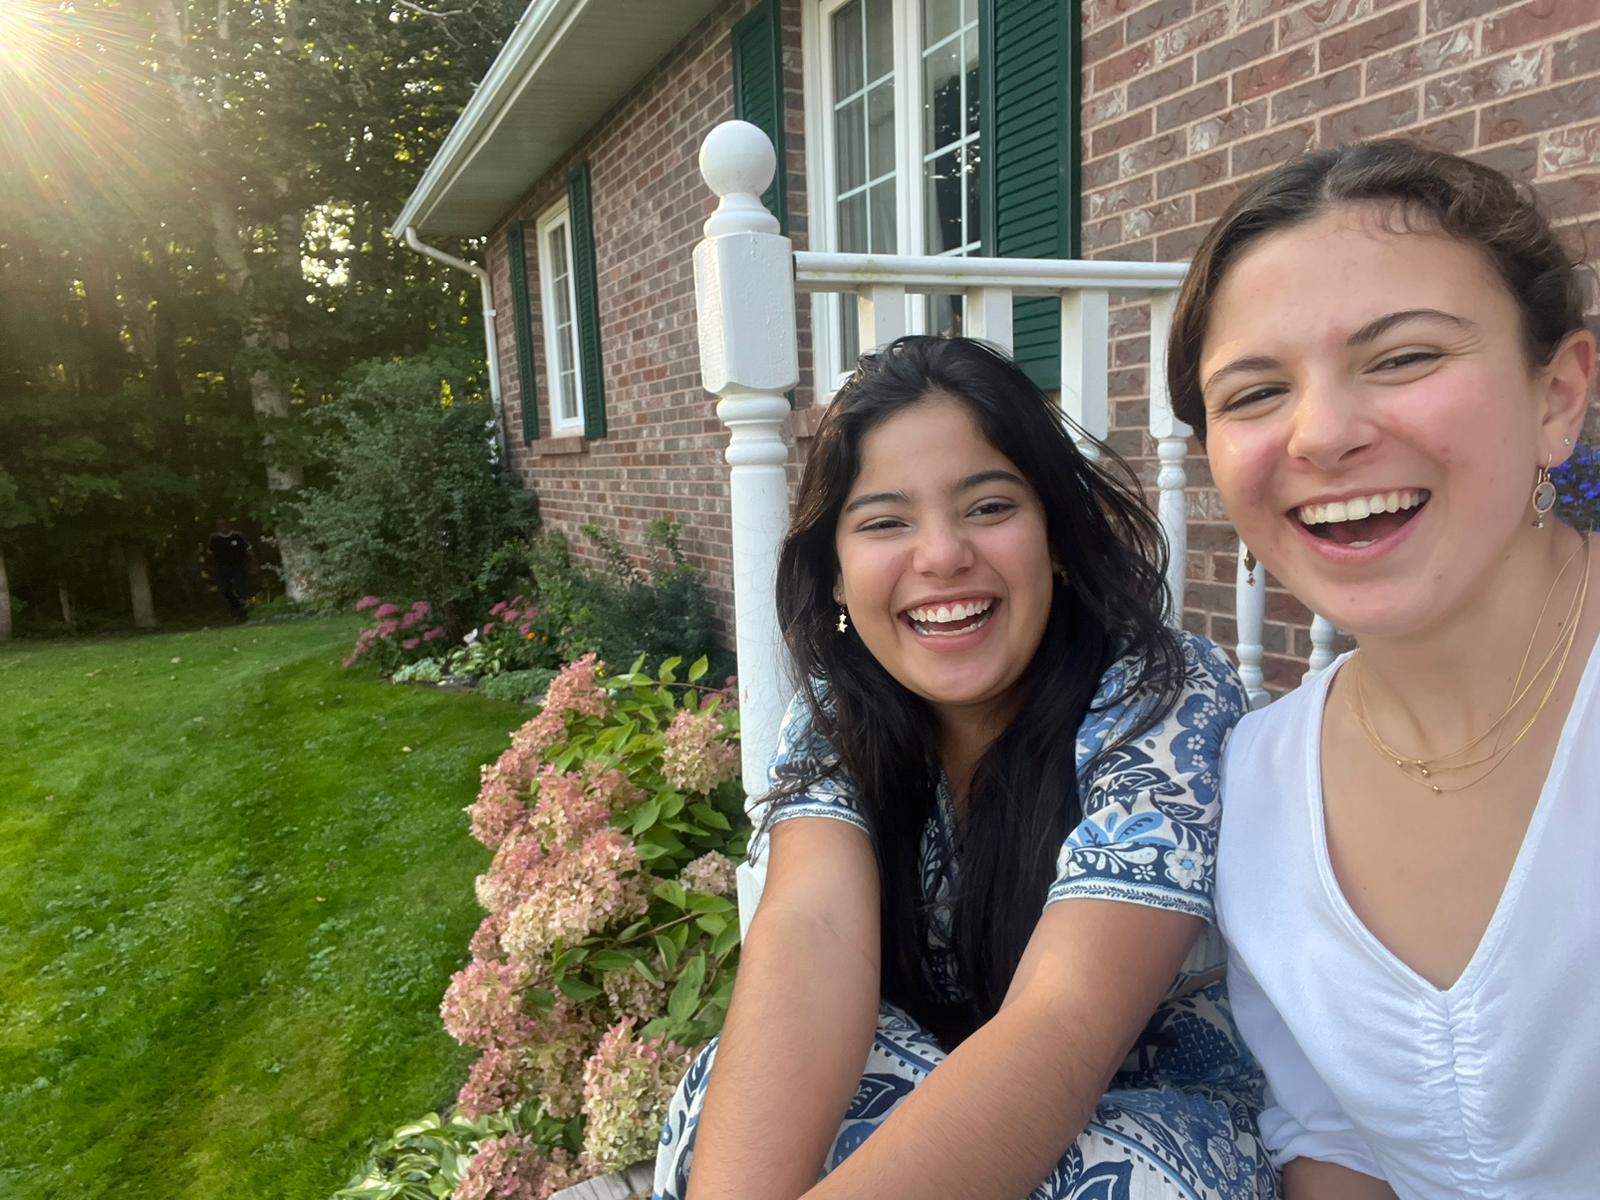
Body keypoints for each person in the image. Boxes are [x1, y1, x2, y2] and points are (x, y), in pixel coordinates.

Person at [654, 336, 1276, 1200]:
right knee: (727, 1103)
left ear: (1055, 537)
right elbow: (809, 937)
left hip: (1147, 1114)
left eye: (988, 507)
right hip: (936, 1077)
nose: (942, 555)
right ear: (835, 576)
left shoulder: (1166, 694)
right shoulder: (839, 713)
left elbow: (1065, 1019)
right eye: (885, 522)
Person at [1166, 140, 1599, 1198]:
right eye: (1254, 393)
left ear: (1556, 396)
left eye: (1403, 358)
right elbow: (1332, 1140)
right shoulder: (1255, 784)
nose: (1320, 436)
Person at [207, 523, 252, 622]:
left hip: (238, 568)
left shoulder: (237, 536)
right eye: (220, 524)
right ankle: (234, 613)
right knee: (227, 592)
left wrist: (252, 563)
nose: (222, 526)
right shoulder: (214, 538)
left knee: (240, 590)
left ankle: (244, 613)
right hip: (222, 569)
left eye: (224, 524)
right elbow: (210, 555)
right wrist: (211, 569)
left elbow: (248, 550)